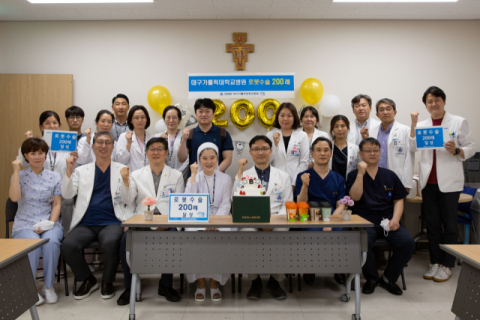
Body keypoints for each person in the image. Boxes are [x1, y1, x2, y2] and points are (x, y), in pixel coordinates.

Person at [409, 86, 476, 282]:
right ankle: (435, 262)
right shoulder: (422, 125)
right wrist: (413, 123)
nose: (434, 104)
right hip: (428, 182)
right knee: (432, 225)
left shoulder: (458, 122)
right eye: (430, 101)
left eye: (437, 100)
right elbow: (413, 146)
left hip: (450, 183)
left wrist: (457, 150)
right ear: (426, 105)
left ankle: (448, 264)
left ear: (443, 101)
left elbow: (470, 147)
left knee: (450, 225)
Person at [61, 131, 133, 300]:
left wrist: (126, 182)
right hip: (85, 222)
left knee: (110, 242)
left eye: (107, 143)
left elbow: (128, 199)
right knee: (68, 245)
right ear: (92, 146)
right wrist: (69, 171)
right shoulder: (81, 170)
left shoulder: (121, 170)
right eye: (99, 142)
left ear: (113, 147)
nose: (103, 146)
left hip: (111, 222)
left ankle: (107, 282)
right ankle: (87, 278)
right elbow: (67, 194)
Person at [117, 137, 184, 305]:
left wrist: (169, 223)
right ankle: (128, 287)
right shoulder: (135, 174)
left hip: (167, 222)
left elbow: (180, 204)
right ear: (146, 153)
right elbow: (128, 199)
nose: (156, 152)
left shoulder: (176, 175)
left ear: (166, 153)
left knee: (173, 240)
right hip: (142, 222)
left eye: (160, 149)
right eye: (152, 149)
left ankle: (166, 284)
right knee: (125, 242)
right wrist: (125, 181)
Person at [346, 138, 415, 296]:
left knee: (408, 243)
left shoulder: (389, 175)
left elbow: (398, 199)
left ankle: (389, 278)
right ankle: (371, 278)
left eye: (375, 150)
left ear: (380, 152)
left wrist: (396, 219)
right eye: (368, 150)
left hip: (387, 221)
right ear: (361, 154)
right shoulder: (354, 175)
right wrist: (361, 175)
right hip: (364, 221)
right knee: (362, 242)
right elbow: (354, 198)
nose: (372, 153)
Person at [233, 135, 293, 300]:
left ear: (271, 151)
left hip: (277, 221)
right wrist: (259, 222)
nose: (261, 152)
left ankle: (275, 281)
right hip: (251, 220)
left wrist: (272, 223)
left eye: (264, 148)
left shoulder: (283, 176)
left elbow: (287, 205)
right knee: (247, 232)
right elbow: (238, 203)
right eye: (256, 149)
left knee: (282, 234)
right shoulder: (243, 175)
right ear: (251, 153)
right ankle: (255, 281)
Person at [10, 138, 64, 305]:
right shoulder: (19, 175)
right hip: (25, 223)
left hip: (49, 221)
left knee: (52, 242)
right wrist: (17, 171)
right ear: (25, 155)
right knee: (32, 244)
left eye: (40, 153)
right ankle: (30, 288)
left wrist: (50, 223)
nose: (37, 156)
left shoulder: (54, 176)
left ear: (45, 154)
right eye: (32, 153)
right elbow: (14, 197)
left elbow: (57, 203)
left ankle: (48, 286)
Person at [184, 142, 233, 301]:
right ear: (199, 160)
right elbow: (189, 201)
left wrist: (215, 223)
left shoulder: (226, 178)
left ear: (217, 158)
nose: (209, 161)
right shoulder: (194, 177)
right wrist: (192, 176)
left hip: (220, 219)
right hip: (197, 220)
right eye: (204, 158)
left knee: (223, 240)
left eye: (212, 157)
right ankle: (200, 283)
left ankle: (214, 282)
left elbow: (226, 204)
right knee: (193, 239)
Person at [295, 137, 346, 285]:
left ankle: (339, 268)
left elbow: (341, 205)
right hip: (310, 215)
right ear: (312, 153)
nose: (322, 153)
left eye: (326, 150)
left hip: (332, 216)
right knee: (312, 231)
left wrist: (329, 222)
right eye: (318, 150)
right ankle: (310, 268)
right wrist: (305, 186)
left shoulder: (338, 178)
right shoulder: (303, 176)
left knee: (339, 233)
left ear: (331, 154)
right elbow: (300, 203)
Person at [361, 99, 414, 191]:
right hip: (374, 178)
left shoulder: (405, 130)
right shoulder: (372, 131)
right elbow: (369, 155)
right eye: (381, 110)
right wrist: (365, 139)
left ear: (395, 112)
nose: (385, 112)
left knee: (396, 204)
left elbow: (409, 158)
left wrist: (407, 183)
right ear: (377, 114)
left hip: (396, 179)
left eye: (388, 109)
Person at [177, 98, 234, 177]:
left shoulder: (223, 133)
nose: (204, 114)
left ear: (213, 114)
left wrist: (213, 174)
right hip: (194, 179)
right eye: (200, 111)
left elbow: (228, 159)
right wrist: (183, 140)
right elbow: (181, 159)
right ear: (196, 114)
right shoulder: (189, 134)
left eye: (207, 111)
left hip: (217, 179)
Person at [266, 102, 309, 194]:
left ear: (294, 117)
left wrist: (294, 183)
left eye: (289, 115)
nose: (285, 119)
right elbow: (267, 161)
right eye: (282, 115)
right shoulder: (270, 135)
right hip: (275, 181)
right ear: (278, 117)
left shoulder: (302, 135)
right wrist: (275, 144)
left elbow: (304, 162)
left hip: (296, 180)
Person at [17, 111, 72, 178]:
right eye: (47, 123)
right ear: (41, 127)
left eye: (54, 123)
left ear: (58, 125)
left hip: (62, 184)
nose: (52, 126)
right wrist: (29, 143)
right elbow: (22, 162)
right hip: (41, 184)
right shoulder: (36, 145)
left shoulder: (68, 144)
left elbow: (74, 167)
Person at [116, 105, 154, 172]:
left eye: (143, 117)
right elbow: (119, 161)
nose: (140, 120)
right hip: (131, 178)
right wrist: (128, 144)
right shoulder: (123, 137)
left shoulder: (153, 138)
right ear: (131, 120)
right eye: (136, 118)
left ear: (147, 119)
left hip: (149, 177)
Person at [154, 105, 189, 178]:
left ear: (179, 119)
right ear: (164, 119)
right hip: (161, 176)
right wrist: (160, 143)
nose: (171, 120)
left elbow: (187, 160)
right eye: (168, 117)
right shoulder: (157, 137)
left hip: (181, 176)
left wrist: (177, 174)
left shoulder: (185, 136)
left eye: (174, 117)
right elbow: (154, 158)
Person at [329, 115, 360, 182]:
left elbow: (358, 169)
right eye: (336, 126)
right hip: (331, 183)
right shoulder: (328, 147)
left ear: (348, 128)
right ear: (332, 129)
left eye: (343, 126)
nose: (340, 129)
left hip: (349, 184)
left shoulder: (355, 148)